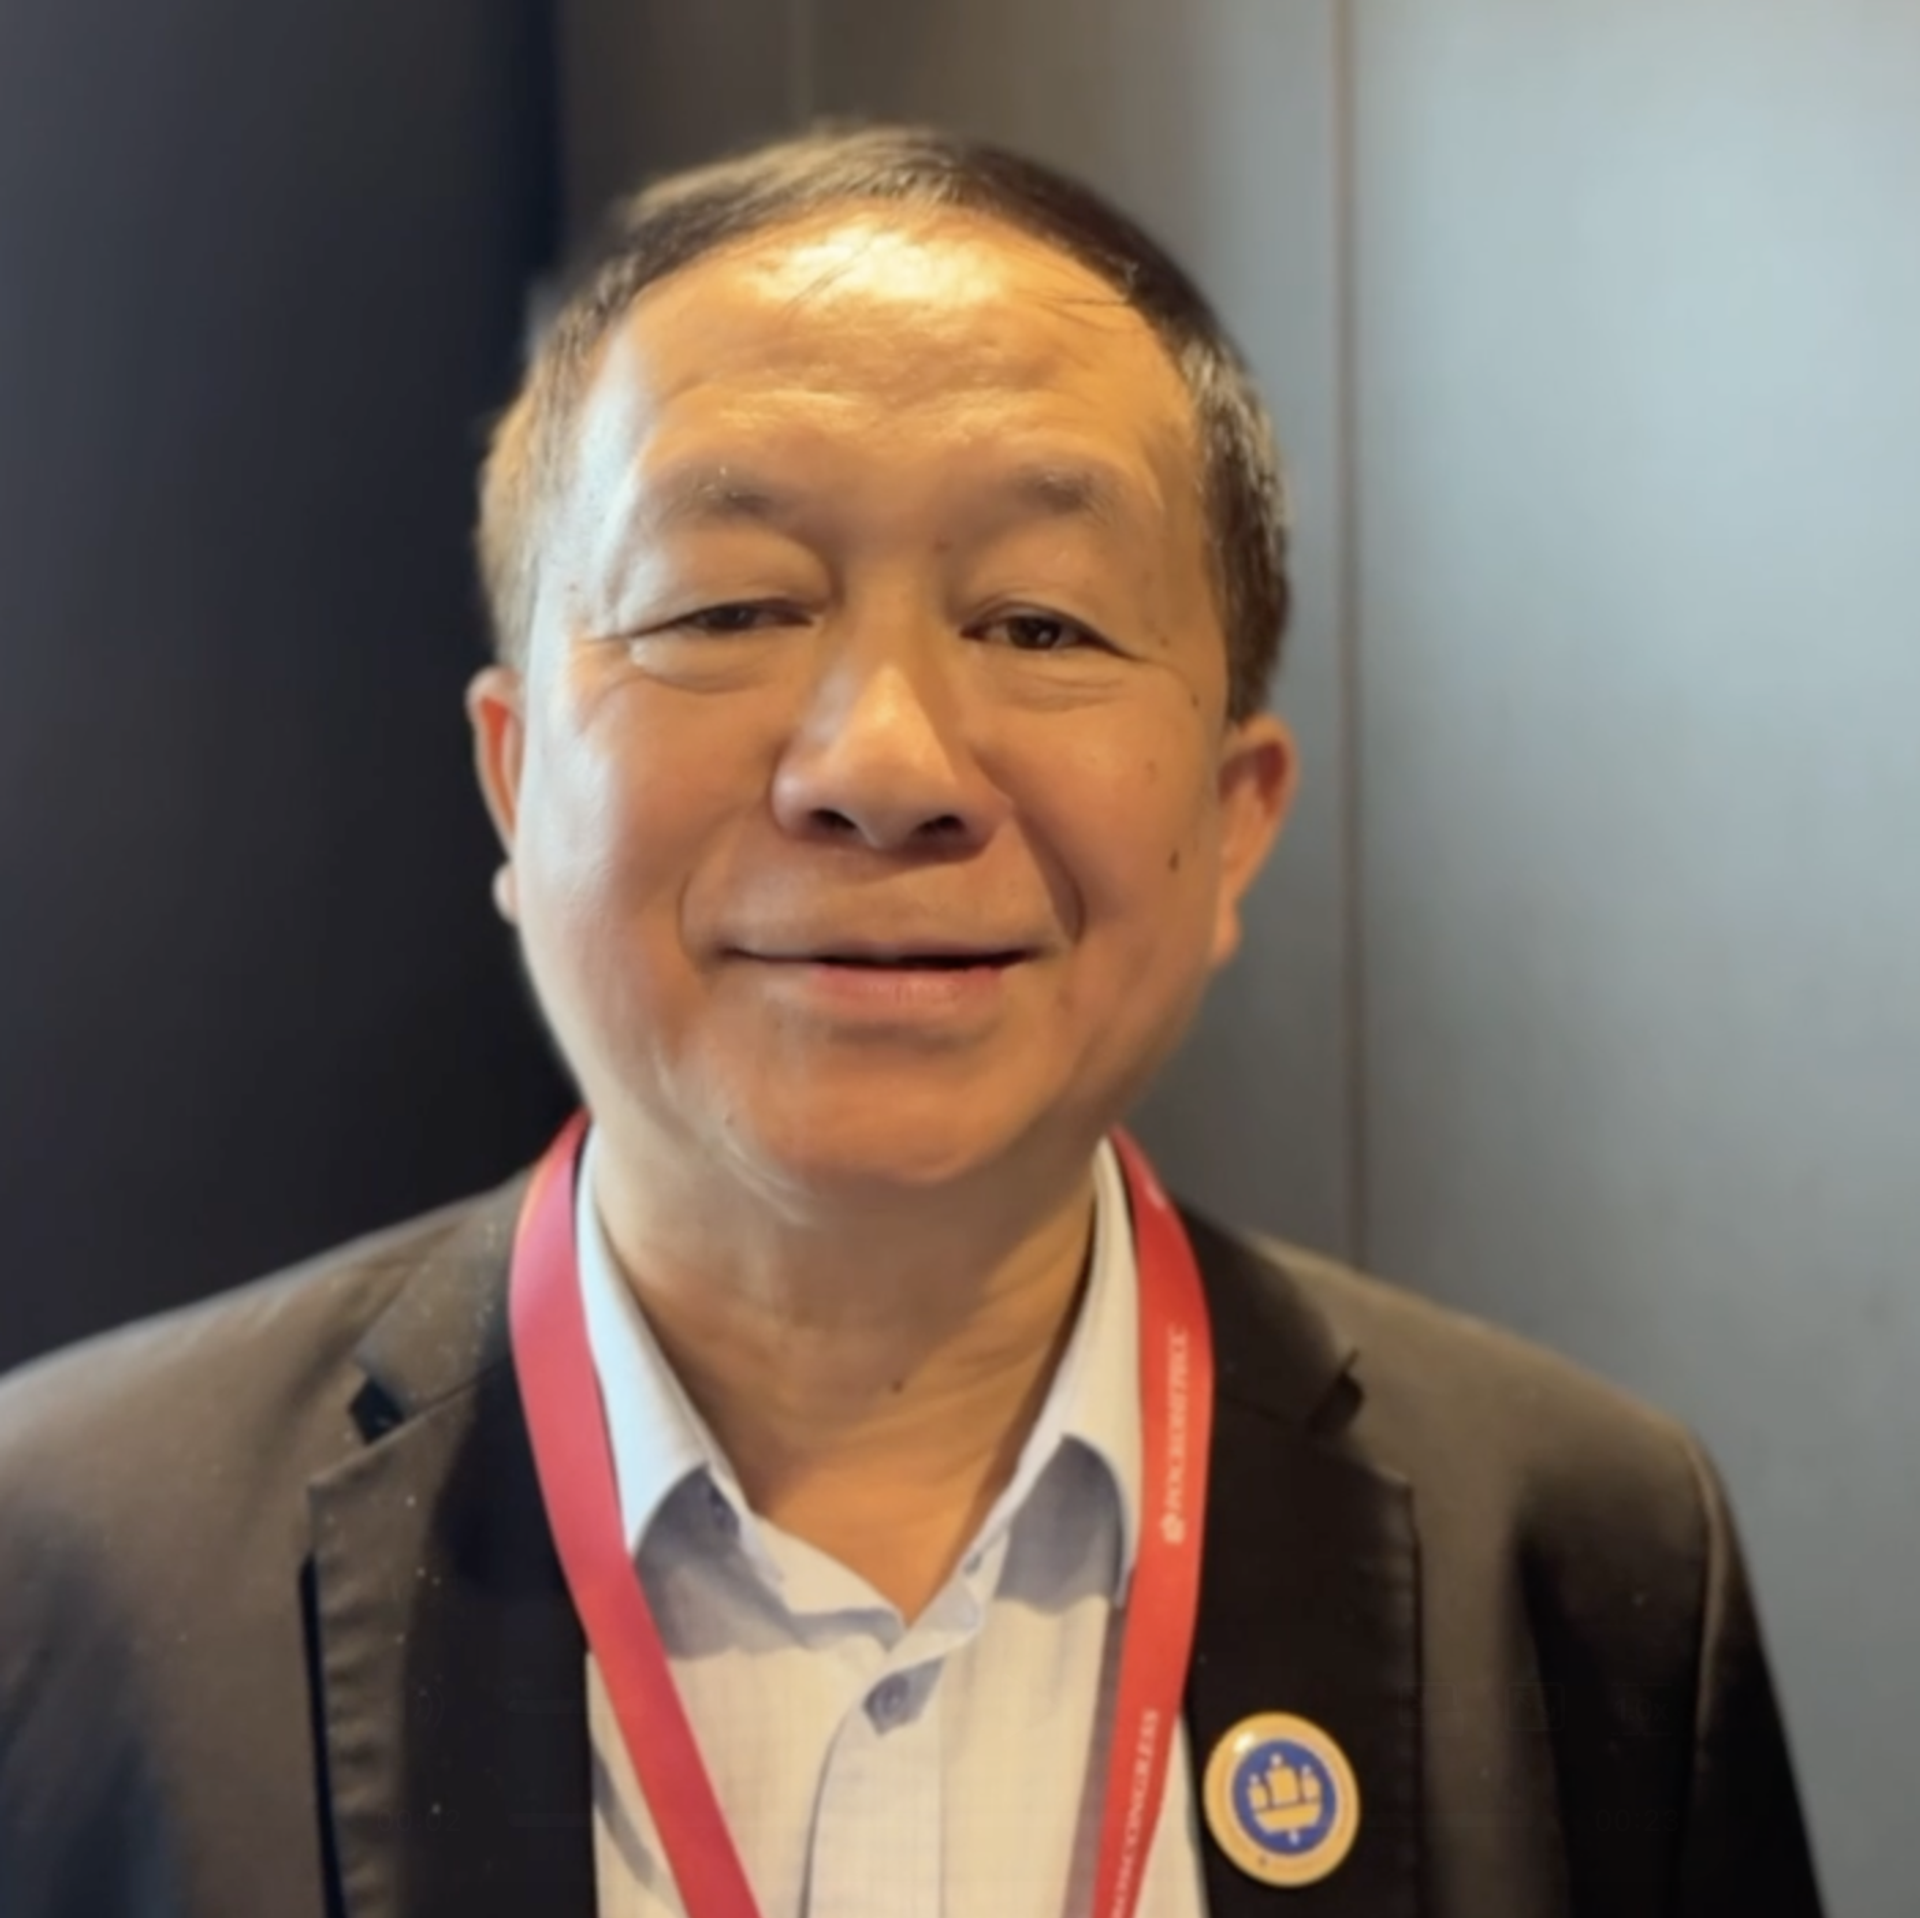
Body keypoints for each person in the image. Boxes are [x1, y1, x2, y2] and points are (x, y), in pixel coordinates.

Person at [0, 125, 1822, 1918]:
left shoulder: (1579, 1564)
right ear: (514, 773)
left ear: (1235, 816)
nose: (883, 764)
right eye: (727, 604)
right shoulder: (69, 1570)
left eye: (1041, 625)